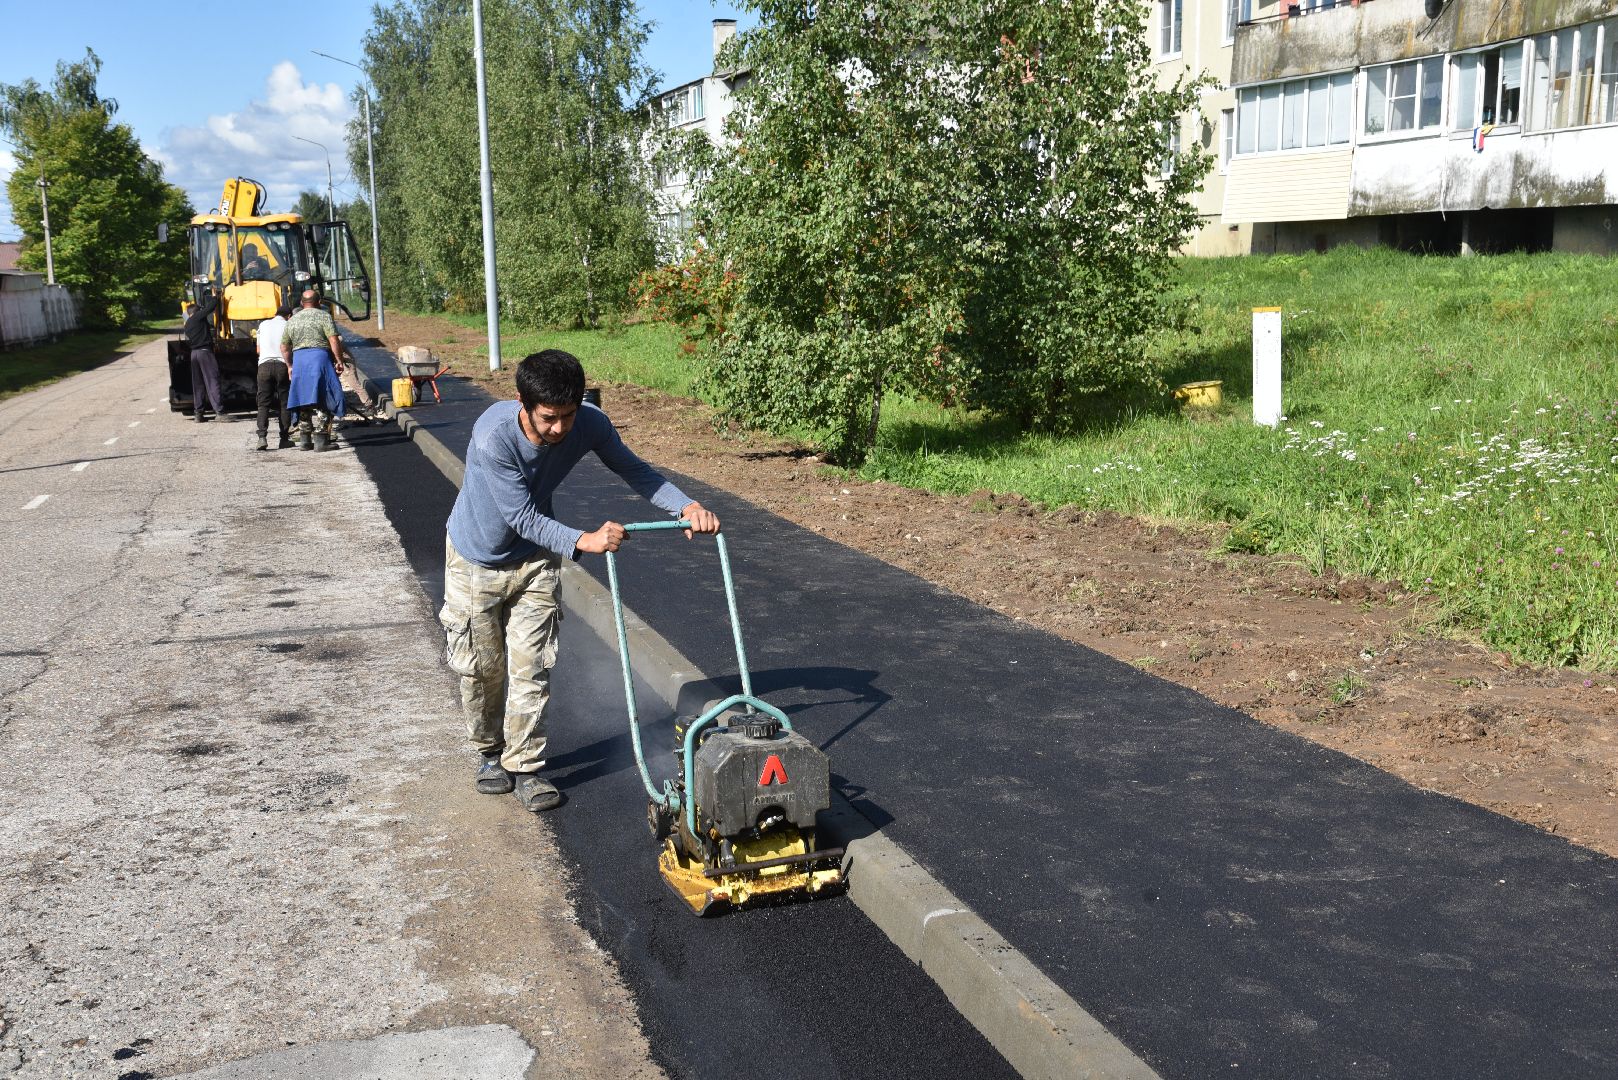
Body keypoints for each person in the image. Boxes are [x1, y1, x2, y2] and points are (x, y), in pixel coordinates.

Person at [440, 349, 719, 813]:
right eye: (549, 418)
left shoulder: (587, 422)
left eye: (568, 415)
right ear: (522, 404)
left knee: (532, 667)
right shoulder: (494, 436)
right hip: (477, 561)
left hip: (535, 561)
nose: (560, 429)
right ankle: (489, 754)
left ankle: (525, 765)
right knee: (482, 670)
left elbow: (635, 470)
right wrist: (583, 539)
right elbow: (520, 516)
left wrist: (685, 506)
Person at [280, 289, 346, 451]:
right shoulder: (324, 315)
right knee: (324, 394)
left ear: (302, 303)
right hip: (319, 358)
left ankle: (304, 440)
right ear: (319, 302)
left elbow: (284, 347)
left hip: (300, 360)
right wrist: (339, 360)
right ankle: (322, 440)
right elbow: (333, 339)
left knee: (303, 397)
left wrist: (289, 366)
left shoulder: (293, 320)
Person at [182, 286, 232, 422]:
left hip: (194, 354)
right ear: (196, 312)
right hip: (205, 353)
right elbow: (209, 309)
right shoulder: (197, 317)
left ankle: (198, 413)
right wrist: (215, 297)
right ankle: (220, 412)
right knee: (212, 380)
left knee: (197, 383)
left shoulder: (187, 325)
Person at [254, 303, 293, 451]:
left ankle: (262, 438)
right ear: (288, 316)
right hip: (282, 366)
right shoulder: (288, 326)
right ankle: (284, 439)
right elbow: (290, 348)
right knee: (284, 403)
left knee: (263, 404)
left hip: (264, 366)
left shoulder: (263, 325)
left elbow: (258, 350)